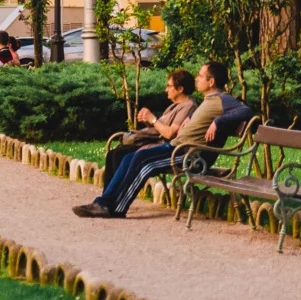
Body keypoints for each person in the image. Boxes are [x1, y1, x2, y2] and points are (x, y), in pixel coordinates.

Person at [72, 61, 251, 219]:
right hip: (177, 148)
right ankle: (105, 203)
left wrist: (219, 120)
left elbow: (247, 112)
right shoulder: (210, 100)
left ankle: (114, 208)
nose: (197, 78)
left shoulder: (223, 98)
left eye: (200, 76)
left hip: (190, 155)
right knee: (128, 158)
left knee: (142, 161)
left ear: (211, 82)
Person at [103, 68, 197, 178]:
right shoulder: (174, 106)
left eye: (169, 86)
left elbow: (170, 133)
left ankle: (116, 193)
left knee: (120, 155)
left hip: (167, 149)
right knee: (113, 154)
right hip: (155, 144)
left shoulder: (188, 106)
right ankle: (110, 193)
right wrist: (148, 121)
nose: (166, 90)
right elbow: (161, 127)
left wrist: (153, 119)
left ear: (180, 89)